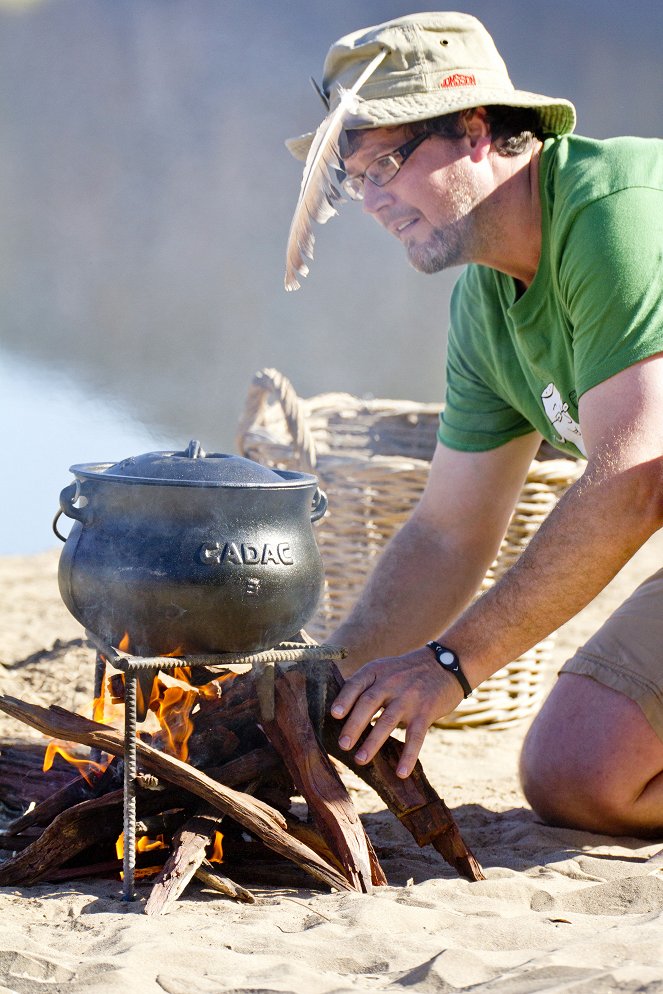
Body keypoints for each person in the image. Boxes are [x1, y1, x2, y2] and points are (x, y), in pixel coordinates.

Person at [286, 11, 663, 837]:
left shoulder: (616, 210)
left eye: (386, 159)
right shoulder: (484, 304)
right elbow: (448, 533)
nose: (373, 197)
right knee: (579, 772)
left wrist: (448, 665)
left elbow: (637, 480)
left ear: (477, 129)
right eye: (355, 177)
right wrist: (318, 687)